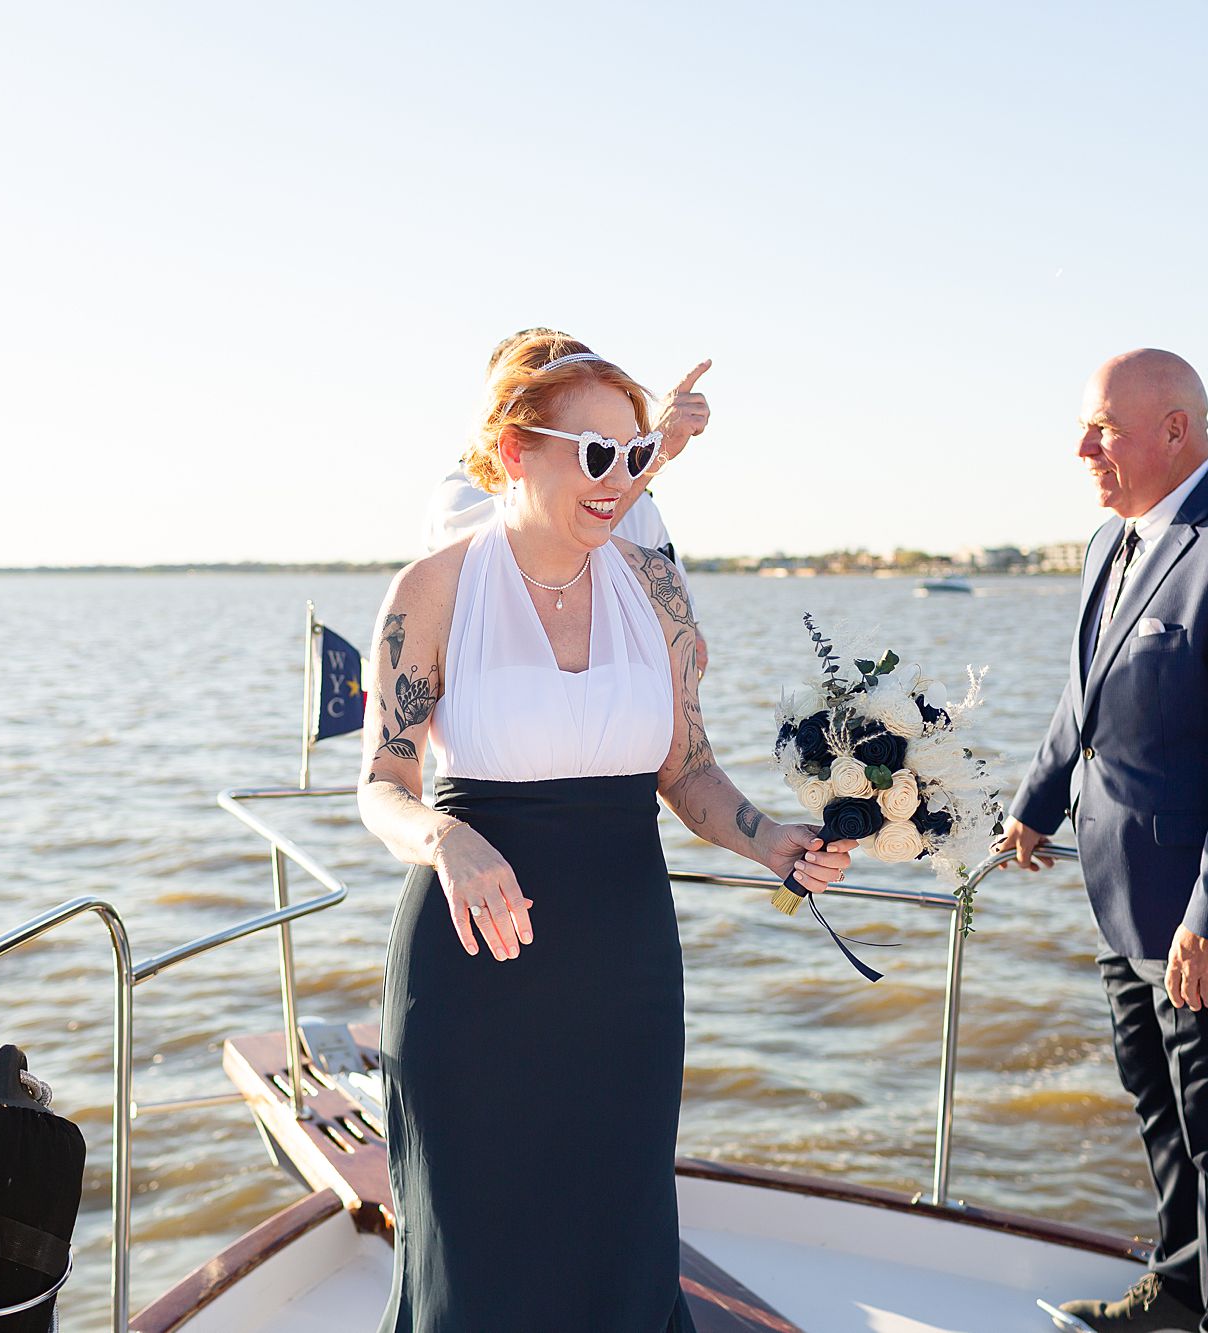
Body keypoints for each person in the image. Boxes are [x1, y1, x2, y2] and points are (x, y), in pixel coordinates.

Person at [358, 331, 854, 1332]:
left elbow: (688, 770)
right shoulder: (434, 590)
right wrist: (443, 839)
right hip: (472, 956)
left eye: (634, 455)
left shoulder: (655, 589)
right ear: (511, 453)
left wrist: (771, 841)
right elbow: (382, 785)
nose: (622, 479)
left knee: (613, 1235)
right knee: (477, 1251)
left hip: (622, 960)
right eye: (596, 455)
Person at [995, 350, 1208, 1333]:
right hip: (1123, 904)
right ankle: (1179, 1289)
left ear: (1175, 431)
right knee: (1164, 1117)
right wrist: (1034, 797)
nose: (1080, 448)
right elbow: (1086, 697)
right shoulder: (1110, 545)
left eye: (1099, 428)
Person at [424, 327, 712, 674]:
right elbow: (510, 559)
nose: (617, 481)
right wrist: (657, 449)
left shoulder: (639, 505)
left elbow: (690, 649)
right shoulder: (460, 493)